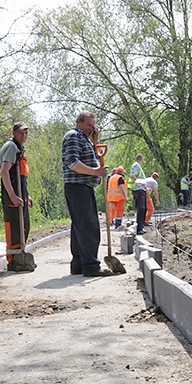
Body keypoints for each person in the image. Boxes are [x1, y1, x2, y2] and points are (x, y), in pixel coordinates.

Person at [62, 111, 113, 277]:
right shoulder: (73, 136)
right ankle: (91, 266)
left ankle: (78, 265)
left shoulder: (83, 138)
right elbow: (72, 162)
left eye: (93, 125)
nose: (91, 128)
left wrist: (95, 142)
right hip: (77, 186)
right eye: (88, 125)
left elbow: (92, 156)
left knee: (79, 227)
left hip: (83, 186)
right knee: (89, 226)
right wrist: (95, 172)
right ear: (79, 122)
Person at [0, 122, 33, 271]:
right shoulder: (11, 147)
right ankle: (13, 262)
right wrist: (12, 195)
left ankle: (21, 258)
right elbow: (5, 172)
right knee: (14, 229)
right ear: (14, 133)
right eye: (20, 133)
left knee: (24, 227)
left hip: (21, 196)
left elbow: (21, 177)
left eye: (26, 133)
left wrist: (27, 196)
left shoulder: (20, 149)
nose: (23, 135)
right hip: (13, 197)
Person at [132, 171, 148, 235]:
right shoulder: (136, 166)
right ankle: (139, 228)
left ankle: (141, 227)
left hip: (141, 190)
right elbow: (132, 176)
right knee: (141, 208)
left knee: (144, 209)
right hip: (139, 191)